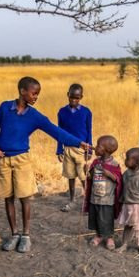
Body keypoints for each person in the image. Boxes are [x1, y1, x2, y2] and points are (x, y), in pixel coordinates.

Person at [0, 76, 91, 253]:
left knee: (24, 197)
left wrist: (78, 143)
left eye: (38, 94)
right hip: (3, 160)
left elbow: (57, 132)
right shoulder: (5, 107)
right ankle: (14, 234)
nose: (36, 97)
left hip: (22, 160)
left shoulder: (35, 116)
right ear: (22, 91)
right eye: (34, 93)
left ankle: (26, 235)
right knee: (8, 198)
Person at [56, 83, 93, 212]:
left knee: (83, 177)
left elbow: (89, 131)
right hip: (67, 149)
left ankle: (89, 203)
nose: (73, 100)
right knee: (70, 176)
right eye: (71, 97)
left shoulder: (86, 112)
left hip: (81, 150)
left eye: (77, 98)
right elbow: (59, 132)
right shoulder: (62, 112)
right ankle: (72, 201)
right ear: (68, 95)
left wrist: (89, 149)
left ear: (81, 97)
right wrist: (59, 149)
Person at [83, 135, 122, 251]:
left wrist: (109, 174)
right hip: (95, 197)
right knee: (96, 217)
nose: (95, 148)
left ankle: (109, 237)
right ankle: (99, 236)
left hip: (107, 199)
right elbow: (90, 177)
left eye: (98, 146)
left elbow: (118, 179)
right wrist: (86, 171)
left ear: (107, 150)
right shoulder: (95, 162)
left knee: (107, 219)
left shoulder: (114, 164)